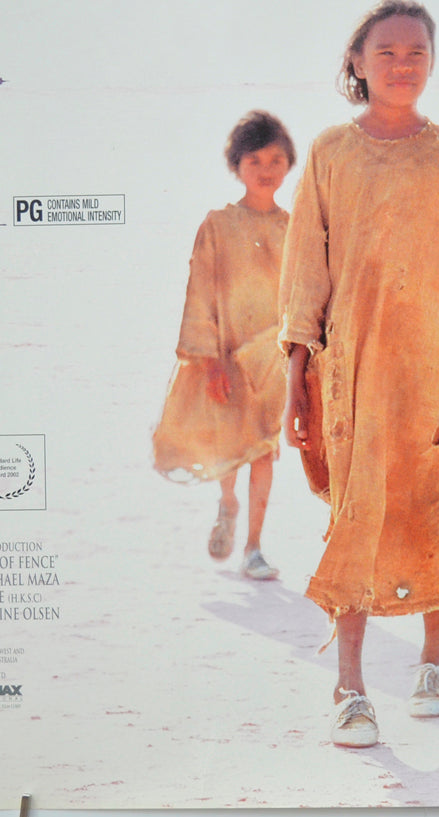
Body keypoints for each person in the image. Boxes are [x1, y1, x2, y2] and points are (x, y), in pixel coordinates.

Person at [279, 0, 439, 749]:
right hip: (344, 369)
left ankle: (436, 658)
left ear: (432, 62)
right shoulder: (329, 154)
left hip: (426, 368)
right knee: (354, 509)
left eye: (416, 52)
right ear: (357, 62)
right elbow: (303, 277)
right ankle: (349, 686)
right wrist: (294, 378)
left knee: (420, 497)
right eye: (386, 52)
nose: (402, 64)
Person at [153, 110, 295, 581]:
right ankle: (228, 502)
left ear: (289, 165)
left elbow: (307, 293)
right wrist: (210, 361)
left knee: (263, 449)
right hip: (228, 358)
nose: (266, 169)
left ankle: (254, 546)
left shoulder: (295, 228)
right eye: (254, 160)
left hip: (272, 362)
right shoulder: (218, 224)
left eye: (276, 159)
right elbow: (201, 291)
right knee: (231, 444)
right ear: (237, 165)